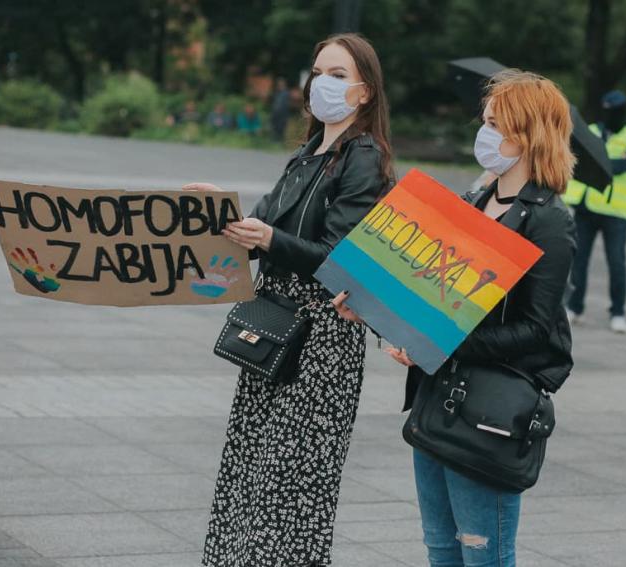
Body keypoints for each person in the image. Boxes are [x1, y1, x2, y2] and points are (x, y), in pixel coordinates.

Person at [334, 70, 576, 567]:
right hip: (437, 402)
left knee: (483, 553)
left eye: (497, 124)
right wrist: (374, 310)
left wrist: (438, 343)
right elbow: (432, 299)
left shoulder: (549, 219)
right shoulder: (472, 201)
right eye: (485, 121)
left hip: (487, 413)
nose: (484, 134)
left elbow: (535, 330)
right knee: (441, 548)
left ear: (529, 134)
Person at [184, 33, 393, 567]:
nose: (322, 82)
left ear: (365, 93)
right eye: (319, 71)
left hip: (321, 339)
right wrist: (218, 213)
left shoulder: (363, 157)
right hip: (275, 326)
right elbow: (257, 229)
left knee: (291, 480)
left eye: (339, 75)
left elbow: (336, 257)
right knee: (251, 465)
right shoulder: (307, 153)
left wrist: (269, 240)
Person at [563, 89, 626, 333]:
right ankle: (575, 308)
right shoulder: (593, 131)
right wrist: (610, 160)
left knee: (616, 262)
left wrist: (598, 160)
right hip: (586, 207)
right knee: (579, 261)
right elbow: (575, 159)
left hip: (616, 213)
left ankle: (617, 312)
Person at [271, 78, 291, 142]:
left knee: (281, 128)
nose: (279, 86)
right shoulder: (277, 93)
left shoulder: (286, 93)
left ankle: (279, 142)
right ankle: (275, 142)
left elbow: (285, 105)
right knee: (275, 128)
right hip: (276, 114)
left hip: (282, 114)